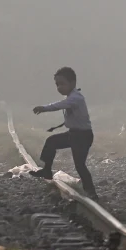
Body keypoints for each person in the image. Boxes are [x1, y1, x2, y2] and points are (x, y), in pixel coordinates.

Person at [30, 67, 98, 198]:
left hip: (83, 136)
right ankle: (47, 170)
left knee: (80, 165)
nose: (59, 87)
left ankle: (91, 192)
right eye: (57, 85)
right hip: (74, 134)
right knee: (51, 142)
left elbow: (59, 105)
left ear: (72, 83)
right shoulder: (72, 97)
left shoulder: (75, 98)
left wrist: (44, 108)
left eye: (62, 84)